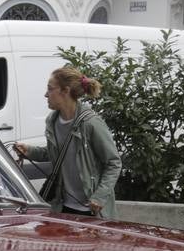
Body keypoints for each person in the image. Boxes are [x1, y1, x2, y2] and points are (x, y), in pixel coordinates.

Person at [12, 67, 121, 220]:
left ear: (65, 91)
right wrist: (29, 151)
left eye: (50, 89)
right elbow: (55, 153)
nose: (45, 94)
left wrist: (99, 197)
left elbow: (113, 163)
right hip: (62, 206)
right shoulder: (53, 121)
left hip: (92, 209)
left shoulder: (91, 123)